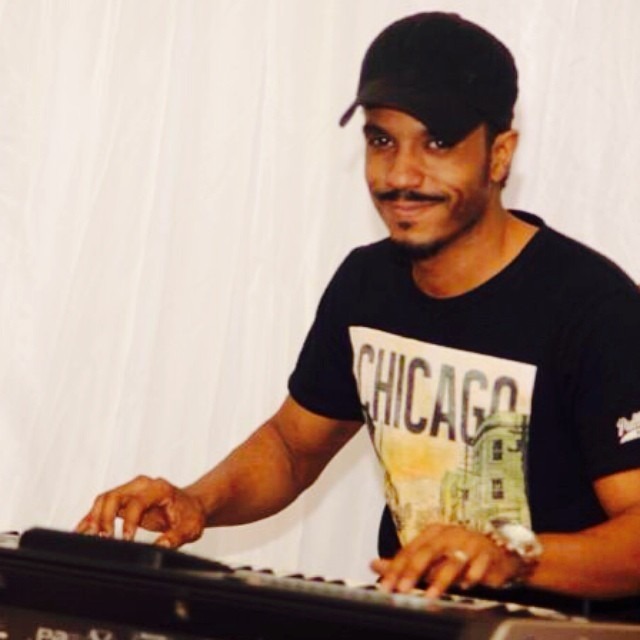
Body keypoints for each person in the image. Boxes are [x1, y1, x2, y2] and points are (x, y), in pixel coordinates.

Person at [77, 12, 640, 618]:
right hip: (412, 624)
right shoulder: (368, 284)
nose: (401, 174)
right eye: (382, 141)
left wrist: (515, 556)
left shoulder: (596, 310)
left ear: (499, 155)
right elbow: (292, 448)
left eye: (438, 143)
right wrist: (197, 502)